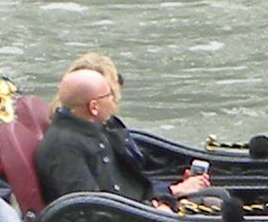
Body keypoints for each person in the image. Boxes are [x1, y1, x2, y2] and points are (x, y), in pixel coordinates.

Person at [35, 59, 209, 208]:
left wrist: (165, 196)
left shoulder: (94, 130)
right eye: (109, 96)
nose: (114, 101)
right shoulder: (64, 148)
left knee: (213, 196)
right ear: (93, 107)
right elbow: (90, 210)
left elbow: (126, 188)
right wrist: (157, 208)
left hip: (140, 208)